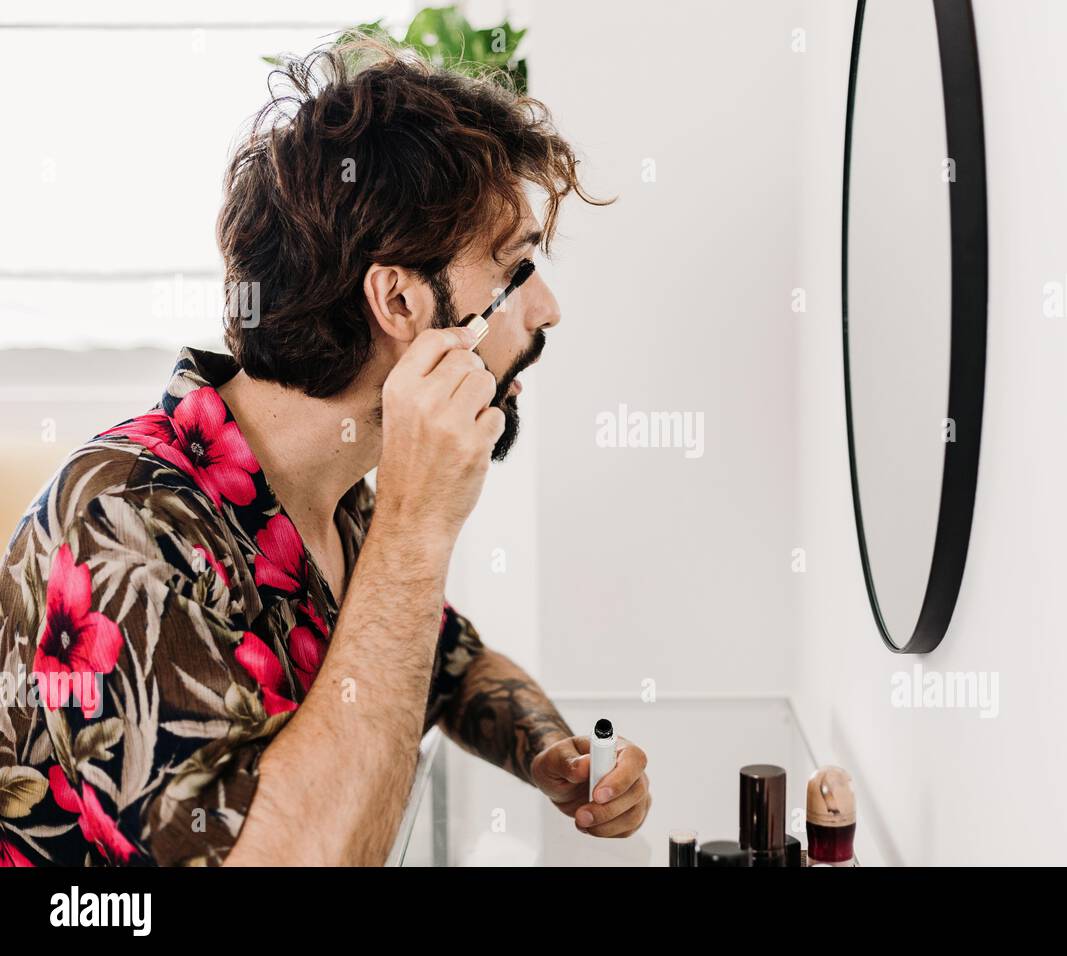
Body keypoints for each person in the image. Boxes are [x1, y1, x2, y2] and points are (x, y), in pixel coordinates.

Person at [0, 38, 650, 867]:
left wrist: (552, 752)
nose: (547, 308)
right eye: (515, 271)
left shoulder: (329, 492)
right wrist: (417, 527)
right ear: (400, 300)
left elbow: (449, 663)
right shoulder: (120, 528)